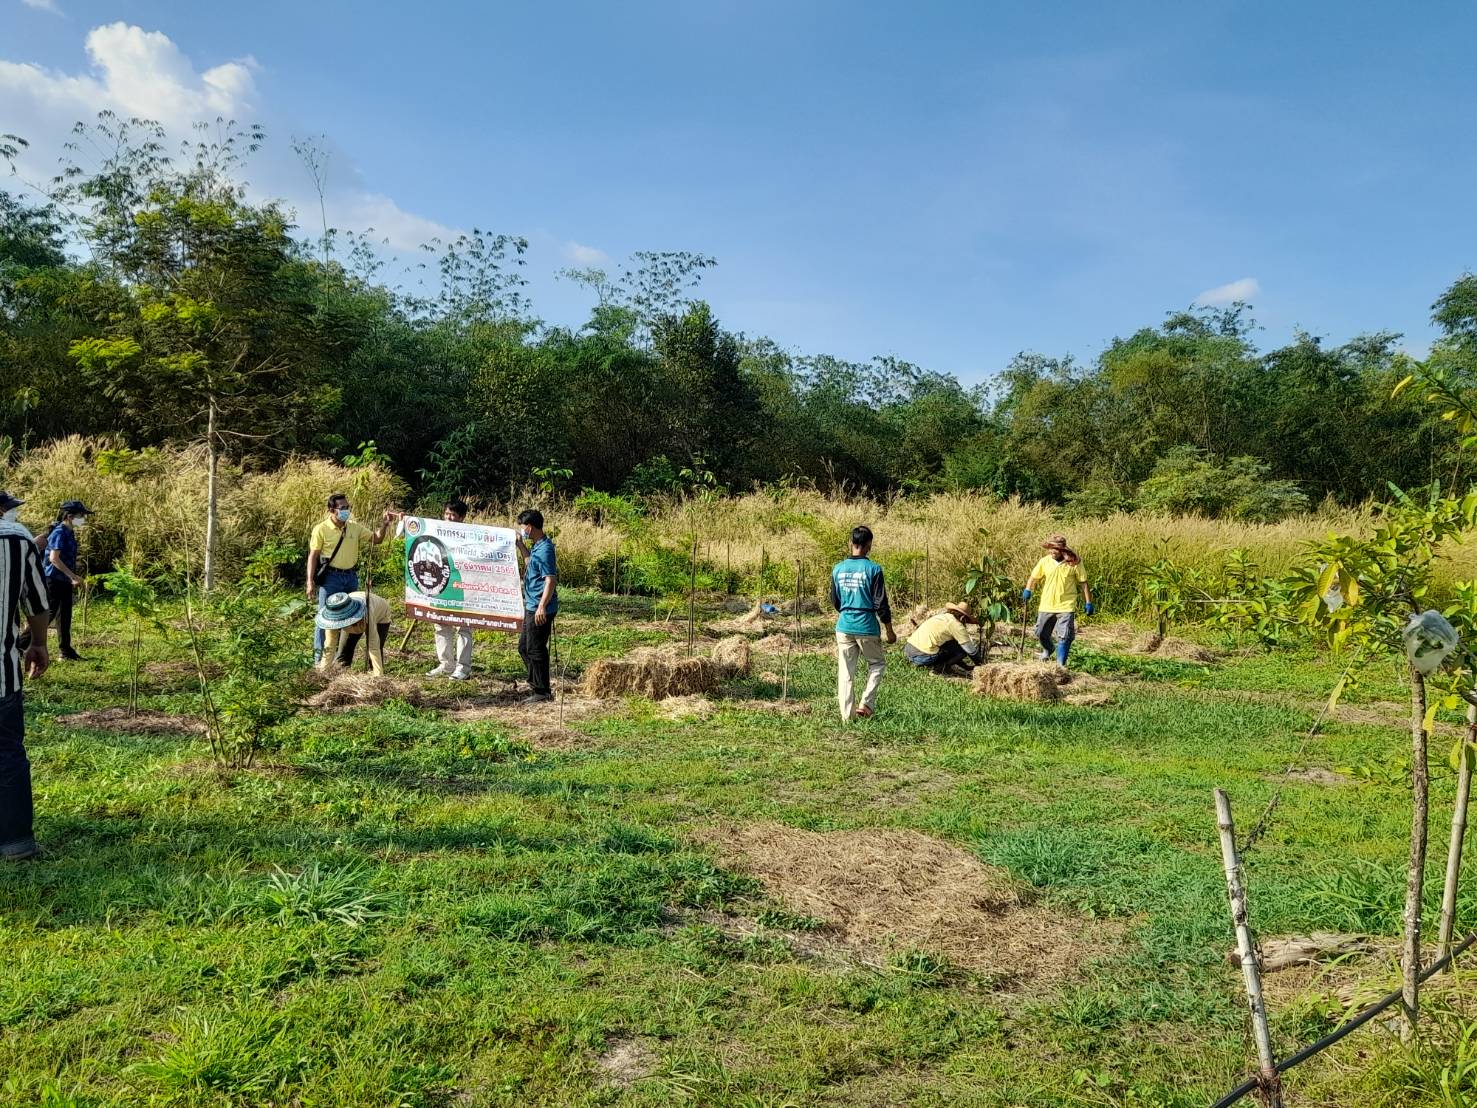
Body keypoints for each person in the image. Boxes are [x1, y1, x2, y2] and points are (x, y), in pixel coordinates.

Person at [0, 491, 51, 861]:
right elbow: (35, 602)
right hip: (1, 676)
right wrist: (38, 643)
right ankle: (16, 842)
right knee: (7, 754)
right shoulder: (18, 539)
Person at [305, 493, 398, 661]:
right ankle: (319, 662)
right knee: (325, 620)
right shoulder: (321, 529)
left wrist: (384, 525)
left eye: (348, 507)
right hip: (331, 578)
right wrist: (309, 582)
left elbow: (376, 540)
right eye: (342, 508)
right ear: (331, 510)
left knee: (348, 618)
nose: (346, 511)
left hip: (350, 577)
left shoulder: (354, 527)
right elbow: (313, 556)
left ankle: (340, 661)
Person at [830, 525, 895, 722]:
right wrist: (889, 630)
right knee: (877, 664)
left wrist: (848, 611)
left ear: (851, 543)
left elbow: (835, 600)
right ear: (869, 546)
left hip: (844, 626)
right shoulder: (873, 569)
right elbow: (880, 603)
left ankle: (846, 717)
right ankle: (866, 704)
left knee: (846, 673)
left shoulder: (838, 569)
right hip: (866, 625)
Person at [1023, 534, 1095, 667]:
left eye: (1055, 549)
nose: (1052, 551)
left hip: (1066, 605)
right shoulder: (1045, 561)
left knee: (1064, 636)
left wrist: (1088, 602)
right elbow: (1033, 578)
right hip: (1047, 604)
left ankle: (1060, 665)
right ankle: (1049, 649)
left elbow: (1083, 583)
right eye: (1050, 548)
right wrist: (1028, 589)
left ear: (1063, 549)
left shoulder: (1074, 563)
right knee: (1040, 633)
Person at [426, 499, 475, 681]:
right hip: (441, 584)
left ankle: (463, 668)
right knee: (440, 624)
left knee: (463, 626)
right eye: (447, 514)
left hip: (462, 585)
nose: (449, 518)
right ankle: (446, 664)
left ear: (461, 518)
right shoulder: (435, 530)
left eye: (453, 515)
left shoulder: (470, 535)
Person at [514, 509, 558, 704]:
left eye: (522, 527)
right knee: (524, 647)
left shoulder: (546, 549)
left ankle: (542, 691)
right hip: (531, 604)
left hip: (540, 607)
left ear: (530, 527)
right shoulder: (538, 546)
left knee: (535, 649)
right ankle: (536, 683)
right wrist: (521, 546)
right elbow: (530, 562)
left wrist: (541, 606)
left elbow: (550, 580)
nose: (521, 530)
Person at [43, 499, 91, 662]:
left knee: (64, 615)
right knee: (48, 614)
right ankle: (21, 645)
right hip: (53, 579)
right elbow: (53, 558)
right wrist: (72, 576)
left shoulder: (69, 531)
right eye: (81, 516)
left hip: (63, 579)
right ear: (70, 516)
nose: (83, 519)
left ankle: (65, 651)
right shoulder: (59, 532)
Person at [316, 591, 393, 676]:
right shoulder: (331, 619)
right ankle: (341, 676)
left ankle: (375, 676)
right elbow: (329, 646)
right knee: (344, 652)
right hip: (359, 612)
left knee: (374, 652)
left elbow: (374, 647)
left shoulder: (367, 613)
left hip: (381, 615)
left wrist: (378, 678)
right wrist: (323, 672)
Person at [904, 601, 984, 676]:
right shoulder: (956, 625)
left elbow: (953, 649)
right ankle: (940, 668)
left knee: (955, 645)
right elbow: (970, 651)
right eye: (966, 621)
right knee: (963, 649)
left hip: (908, 650)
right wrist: (981, 665)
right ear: (962, 618)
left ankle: (945, 666)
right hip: (922, 657)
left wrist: (966, 667)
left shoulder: (942, 617)